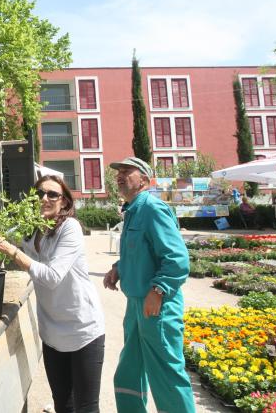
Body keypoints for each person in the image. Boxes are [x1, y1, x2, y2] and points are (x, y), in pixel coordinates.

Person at [0, 175, 105, 412]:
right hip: (52, 333)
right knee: (62, 403)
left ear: (64, 202)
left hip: (83, 331)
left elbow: (51, 277)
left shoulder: (70, 229)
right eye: (39, 194)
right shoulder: (30, 230)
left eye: (52, 194)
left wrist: (10, 250)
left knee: (86, 406)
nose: (44, 199)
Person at [102, 157, 195, 413]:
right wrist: (118, 269)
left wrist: (158, 290)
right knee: (128, 375)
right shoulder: (132, 210)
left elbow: (177, 259)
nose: (120, 176)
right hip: (135, 307)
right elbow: (140, 252)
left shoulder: (152, 208)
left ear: (144, 179)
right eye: (118, 172)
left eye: (127, 171)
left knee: (166, 376)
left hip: (157, 307)